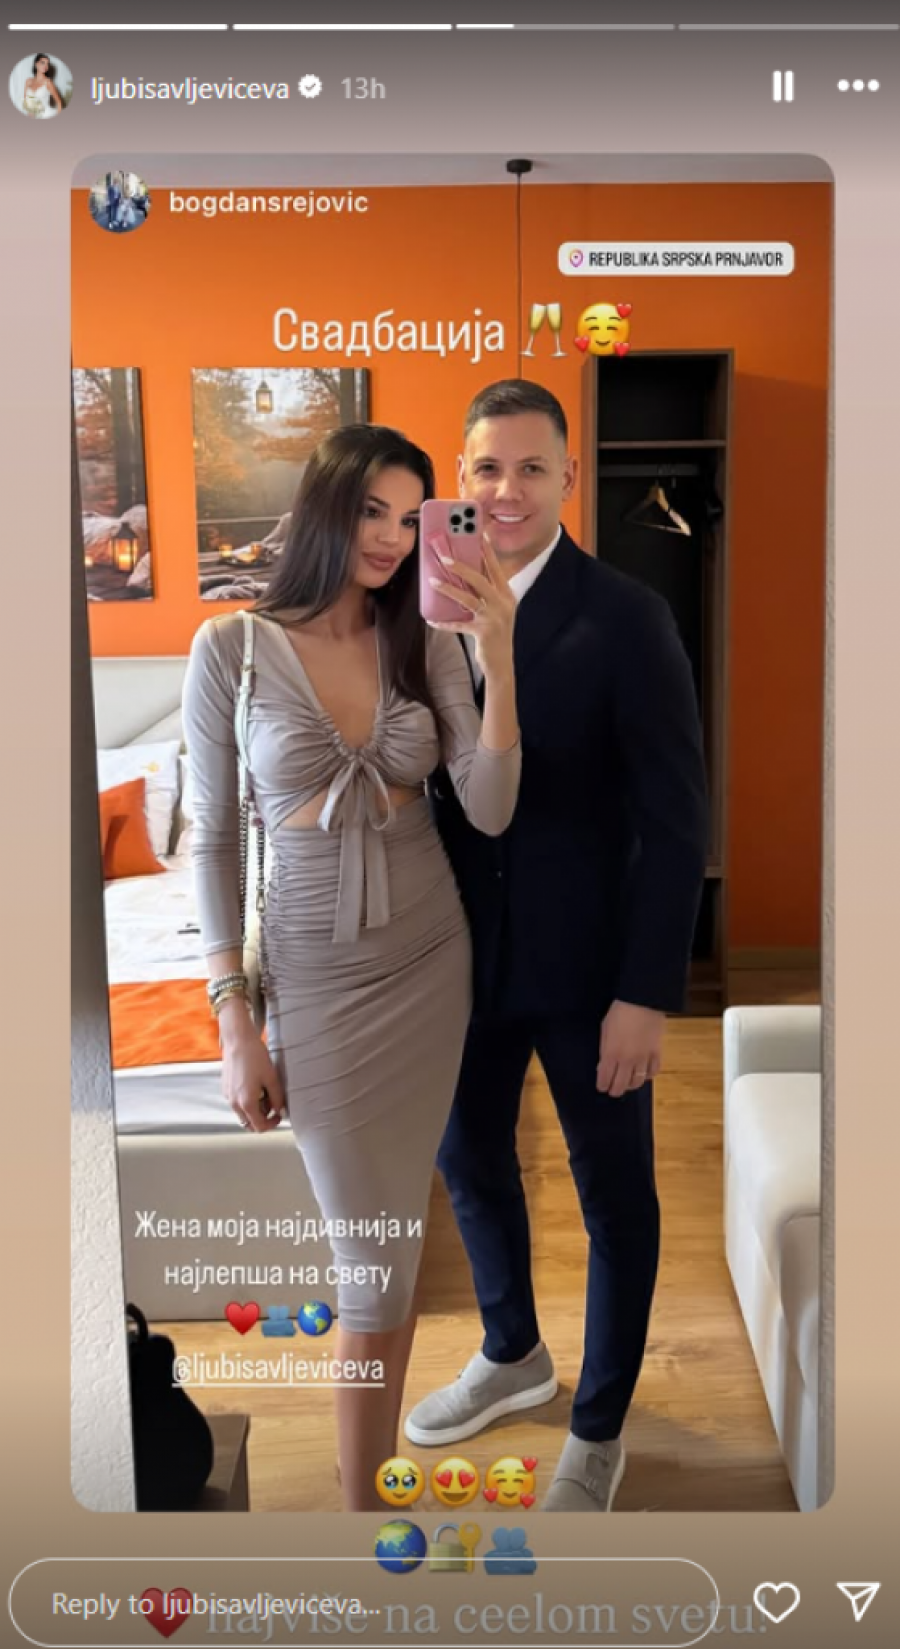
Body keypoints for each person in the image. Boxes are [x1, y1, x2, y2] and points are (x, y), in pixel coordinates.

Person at [182, 424, 521, 1511]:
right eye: (372, 509)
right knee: (370, 1258)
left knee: (394, 1244)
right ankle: (366, 1507)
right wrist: (235, 1019)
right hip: (316, 985)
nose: (390, 536)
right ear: (327, 506)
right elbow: (214, 841)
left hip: (430, 962)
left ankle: (365, 1480)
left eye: (411, 517)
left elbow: (489, 805)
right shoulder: (230, 648)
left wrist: (495, 652)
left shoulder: (424, 639)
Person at [404, 380, 708, 1511]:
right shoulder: (419, 612)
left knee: (613, 1192)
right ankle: (512, 1351)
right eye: (488, 468)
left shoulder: (628, 615)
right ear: (460, 478)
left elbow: (677, 818)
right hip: (459, 965)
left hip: (592, 972)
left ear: (570, 479)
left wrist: (646, 990)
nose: (508, 489)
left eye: (532, 467)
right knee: (470, 1161)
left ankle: (599, 1423)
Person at [22, 53, 63, 118]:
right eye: (43, 63)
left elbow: (59, 102)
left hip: (47, 115)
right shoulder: (28, 81)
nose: (46, 66)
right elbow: (26, 101)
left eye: (47, 64)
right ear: (36, 64)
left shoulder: (48, 82)